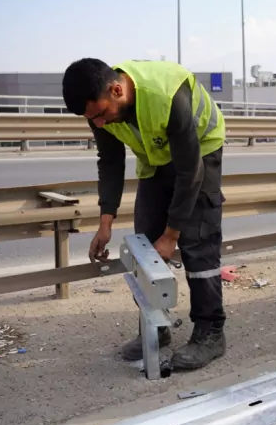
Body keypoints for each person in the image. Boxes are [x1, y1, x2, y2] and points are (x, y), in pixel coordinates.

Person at [61, 58, 227, 369]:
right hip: (155, 159)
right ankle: (156, 328)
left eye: (99, 115)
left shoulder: (167, 95)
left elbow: (190, 171)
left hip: (200, 151)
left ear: (116, 89)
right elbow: (110, 163)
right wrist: (105, 222)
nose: (98, 124)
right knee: (144, 249)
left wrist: (172, 234)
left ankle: (211, 332)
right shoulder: (98, 109)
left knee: (198, 242)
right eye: (91, 119)